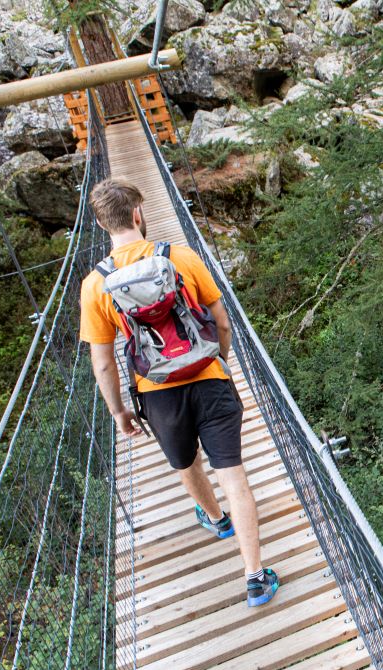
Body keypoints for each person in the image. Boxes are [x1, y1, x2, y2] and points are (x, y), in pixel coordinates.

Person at [79, 177, 278, 607]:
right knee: (234, 474)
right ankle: (256, 578)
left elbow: (103, 362)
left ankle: (216, 519)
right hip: (210, 378)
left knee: (187, 463)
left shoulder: (95, 285)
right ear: (137, 214)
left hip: (158, 393)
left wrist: (119, 413)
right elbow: (222, 322)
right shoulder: (180, 256)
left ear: (100, 223)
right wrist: (217, 360)